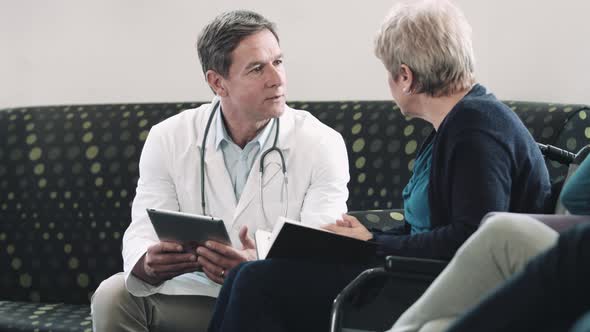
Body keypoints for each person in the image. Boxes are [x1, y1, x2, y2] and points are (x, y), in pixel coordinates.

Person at [206, 1, 552, 331]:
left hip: (430, 287)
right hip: (414, 273)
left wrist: (373, 244)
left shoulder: (476, 129)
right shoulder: (456, 124)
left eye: (389, 72)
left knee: (256, 281)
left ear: (405, 76)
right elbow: (434, 229)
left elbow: (471, 239)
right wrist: (369, 237)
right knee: (245, 275)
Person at [90, 10, 350, 332]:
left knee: (257, 292)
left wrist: (259, 266)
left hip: (274, 302)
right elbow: (143, 227)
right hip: (195, 294)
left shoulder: (322, 143)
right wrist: (149, 263)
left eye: (278, 62)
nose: (277, 79)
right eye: (257, 68)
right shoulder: (169, 137)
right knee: (112, 295)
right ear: (218, 82)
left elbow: (322, 251)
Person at [390, 151, 590, 332]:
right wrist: (377, 238)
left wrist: (380, 242)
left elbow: (575, 196)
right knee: (435, 327)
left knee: (504, 231)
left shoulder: (476, 128)